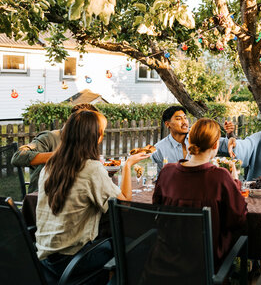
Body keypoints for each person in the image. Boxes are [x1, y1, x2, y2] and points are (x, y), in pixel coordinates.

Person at [35, 110, 150, 284]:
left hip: (44, 257)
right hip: (72, 259)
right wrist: (127, 166)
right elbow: (124, 203)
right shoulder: (91, 169)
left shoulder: (50, 166)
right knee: (140, 245)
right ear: (95, 136)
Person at [152, 118, 247, 270]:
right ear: (216, 145)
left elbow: (157, 208)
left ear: (190, 141)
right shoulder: (220, 177)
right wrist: (234, 182)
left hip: (164, 264)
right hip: (204, 266)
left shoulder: (167, 172)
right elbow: (238, 218)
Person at [11, 103, 99, 193]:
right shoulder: (50, 137)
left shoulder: (83, 142)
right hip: (43, 197)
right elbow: (18, 157)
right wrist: (62, 155)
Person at [151, 105, 234, 172]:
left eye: (185, 118)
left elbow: (226, 145)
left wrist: (229, 134)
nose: (184, 122)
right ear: (167, 124)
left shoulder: (199, 136)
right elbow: (158, 178)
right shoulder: (159, 149)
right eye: (179, 119)